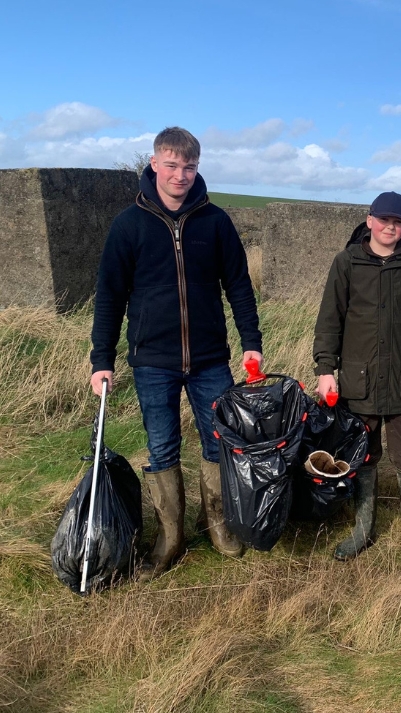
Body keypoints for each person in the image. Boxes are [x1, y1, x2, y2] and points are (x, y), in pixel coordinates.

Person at [90, 126, 263, 579]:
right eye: (171, 165)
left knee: (219, 441)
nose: (180, 175)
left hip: (210, 359)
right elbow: (109, 295)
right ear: (154, 164)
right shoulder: (129, 225)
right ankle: (171, 537)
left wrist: (252, 344)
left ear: (197, 168)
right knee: (162, 446)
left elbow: (239, 286)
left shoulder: (216, 221)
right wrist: (101, 359)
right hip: (152, 361)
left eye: (189, 166)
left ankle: (218, 523)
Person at [313, 191, 401, 560]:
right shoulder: (346, 262)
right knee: (363, 453)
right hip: (358, 379)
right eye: (385, 220)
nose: (391, 227)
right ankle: (363, 529)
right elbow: (329, 321)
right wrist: (325, 369)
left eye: (398, 222)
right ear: (370, 220)